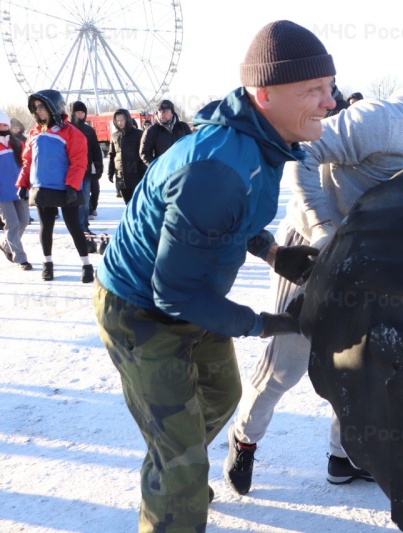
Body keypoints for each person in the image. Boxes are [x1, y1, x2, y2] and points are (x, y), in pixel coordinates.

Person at [93, 20, 336, 531]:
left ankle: (175, 465)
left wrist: (272, 253)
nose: (328, 103)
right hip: (141, 311)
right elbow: (174, 290)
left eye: (329, 88)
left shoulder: (261, 145)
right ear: (263, 93)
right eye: (313, 90)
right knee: (180, 463)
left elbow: (230, 223)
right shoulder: (220, 167)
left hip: (191, 297)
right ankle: (176, 482)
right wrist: (270, 324)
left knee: (222, 397)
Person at [225, 38, 403, 495]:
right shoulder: (382, 121)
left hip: (369, 265)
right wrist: (323, 228)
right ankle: (245, 438)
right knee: (286, 366)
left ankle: (342, 456)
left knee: (359, 366)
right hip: (311, 251)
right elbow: (302, 152)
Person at [15, 90, 93, 283]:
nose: (38, 111)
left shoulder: (71, 132)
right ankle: (47, 264)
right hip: (42, 188)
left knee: (74, 226)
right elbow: (28, 162)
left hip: (66, 188)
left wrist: (72, 186)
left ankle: (86, 264)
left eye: (42, 106)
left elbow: (78, 162)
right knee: (46, 227)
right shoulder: (34, 133)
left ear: (54, 107)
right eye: (35, 108)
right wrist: (23, 184)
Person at [0, 109, 32, 270]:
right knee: (12, 224)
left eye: (4, 124)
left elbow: (26, 165)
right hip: (2, 194)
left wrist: (28, 185)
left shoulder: (17, 144)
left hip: (19, 189)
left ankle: (7, 244)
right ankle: (20, 258)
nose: (2, 127)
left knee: (24, 220)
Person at [69, 101, 104, 232]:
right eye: (77, 112)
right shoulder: (67, 129)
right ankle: (76, 226)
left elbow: (95, 149)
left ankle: (84, 226)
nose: (80, 114)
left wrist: (99, 167)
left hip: (86, 170)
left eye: (82, 112)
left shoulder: (89, 130)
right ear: (72, 113)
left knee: (84, 200)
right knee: (73, 201)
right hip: (71, 171)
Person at [107, 109, 147, 204]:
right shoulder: (114, 136)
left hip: (136, 175)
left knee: (137, 203)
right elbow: (112, 155)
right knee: (128, 203)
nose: (120, 122)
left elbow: (143, 154)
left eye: (122, 119)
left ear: (127, 119)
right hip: (121, 176)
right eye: (118, 120)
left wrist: (144, 172)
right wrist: (110, 172)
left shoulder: (138, 134)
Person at [138, 99, 192, 166]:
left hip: (182, 169)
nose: (161, 114)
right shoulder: (151, 131)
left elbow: (191, 147)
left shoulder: (183, 127)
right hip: (162, 172)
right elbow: (144, 153)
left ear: (172, 112)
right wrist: (156, 167)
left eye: (165, 111)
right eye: (159, 111)